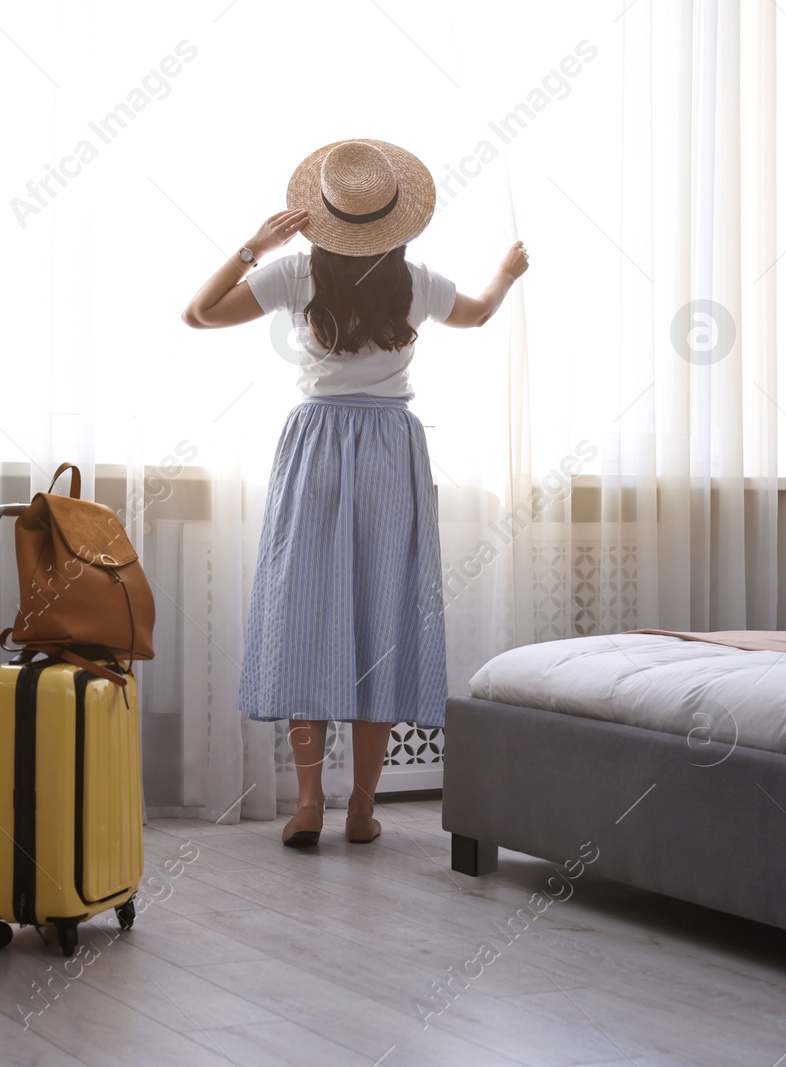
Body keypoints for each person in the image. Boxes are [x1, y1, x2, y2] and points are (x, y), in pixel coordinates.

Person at [182, 139, 528, 847]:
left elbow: (199, 313)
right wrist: (505, 271)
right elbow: (481, 313)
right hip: (390, 450)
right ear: (396, 220)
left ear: (327, 216)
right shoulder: (419, 283)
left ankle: (308, 801)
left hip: (314, 449)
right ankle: (362, 808)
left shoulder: (292, 276)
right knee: (382, 616)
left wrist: (251, 246)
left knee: (303, 610)